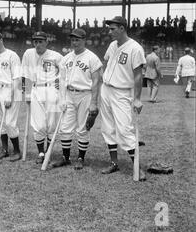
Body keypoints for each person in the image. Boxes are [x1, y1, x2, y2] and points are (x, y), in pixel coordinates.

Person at [100, 16, 147, 181]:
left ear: (122, 28)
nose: (109, 31)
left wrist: (137, 98)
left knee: (125, 130)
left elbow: (138, 75)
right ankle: (114, 163)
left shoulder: (135, 48)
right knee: (108, 128)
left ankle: (137, 168)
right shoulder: (113, 45)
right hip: (106, 89)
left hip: (122, 92)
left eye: (113, 29)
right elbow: (106, 62)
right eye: (109, 28)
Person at [52, 28, 102, 169]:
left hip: (85, 94)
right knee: (65, 128)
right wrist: (62, 99)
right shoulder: (66, 58)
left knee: (82, 128)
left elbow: (96, 82)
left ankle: (80, 158)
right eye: (73, 40)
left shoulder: (92, 58)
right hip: (69, 94)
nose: (74, 42)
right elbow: (61, 80)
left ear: (84, 40)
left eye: (77, 39)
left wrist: (94, 102)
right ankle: (65, 157)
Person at [21, 31, 62, 164]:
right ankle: (40, 152)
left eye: (40, 41)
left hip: (51, 89)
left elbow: (65, 71)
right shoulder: (28, 53)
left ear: (46, 42)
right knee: (38, 124)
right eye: (35, 41)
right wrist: (27, 93)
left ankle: (48, 151)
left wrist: (59, 85)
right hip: (35, 89)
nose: (38, 44)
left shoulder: (56, 56)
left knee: (51, 124)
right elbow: (25, 74)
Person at [0, 31, 22, 162]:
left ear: (1, 40)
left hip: (9, 89)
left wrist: (10, 96)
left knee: (9, 122)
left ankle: (17, 150)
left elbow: (17, 78)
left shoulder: (12, 55)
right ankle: (5, 149)